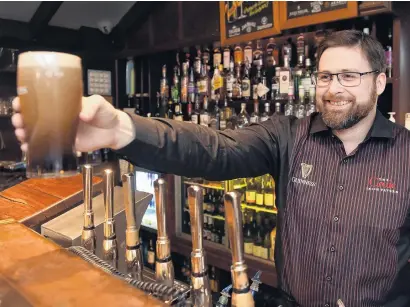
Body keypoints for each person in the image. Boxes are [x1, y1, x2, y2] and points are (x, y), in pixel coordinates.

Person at [12, 30, 410, 307]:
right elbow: (215, 149)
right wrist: (121, 129)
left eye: (349, 76)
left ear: (379, 82)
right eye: (325, 76)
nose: (334, 88)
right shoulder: (289, 136)